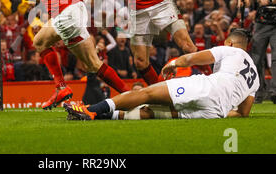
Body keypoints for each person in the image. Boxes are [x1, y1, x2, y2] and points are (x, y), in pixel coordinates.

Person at [16, 0, 130, 110]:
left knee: (39, 42)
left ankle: (61, 87)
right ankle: (130, 95)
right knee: (93, 64)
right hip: (77, 8)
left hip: (64, 14)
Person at [64, 29, 259, 120]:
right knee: (155, 114)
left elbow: (192, 58)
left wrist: (174, 63)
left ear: (229, 42)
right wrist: (221, 110)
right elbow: (243, 113)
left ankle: (91, 109)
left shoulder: (230, 50)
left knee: (148, 94)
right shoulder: (255, 77)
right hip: (215, 112)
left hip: (206, 89)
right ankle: (98, 117)